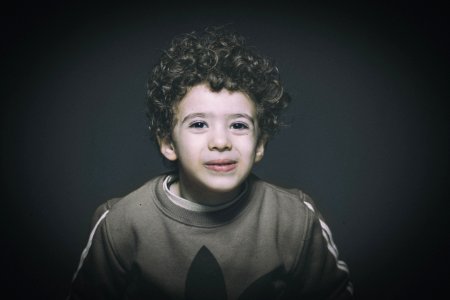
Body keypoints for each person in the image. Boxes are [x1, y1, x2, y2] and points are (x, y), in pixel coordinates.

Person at [67, 26, 353, 299]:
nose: (220, 141)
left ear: (260, 145)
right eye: (199, 124)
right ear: (168, 143)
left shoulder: (295, 218)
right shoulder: (122, 222)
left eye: (239, 126)